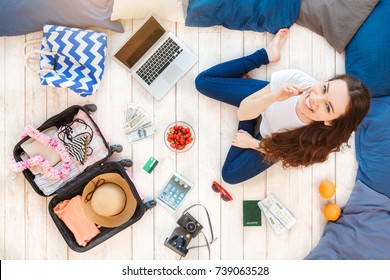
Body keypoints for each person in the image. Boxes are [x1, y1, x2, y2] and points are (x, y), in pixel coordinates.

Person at [195, 28, 370, 185]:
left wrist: (252, 143)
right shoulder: (296, 80)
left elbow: (282, 154)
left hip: (271, 141)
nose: (315, 98)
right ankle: (267, 54)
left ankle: (253, 117)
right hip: (269, 97)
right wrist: (273, 97)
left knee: (230, 175)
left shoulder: (316, 142)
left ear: (330, 122)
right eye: (324, 88)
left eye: (328, 107)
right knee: (202, 82)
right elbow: (242, 113)